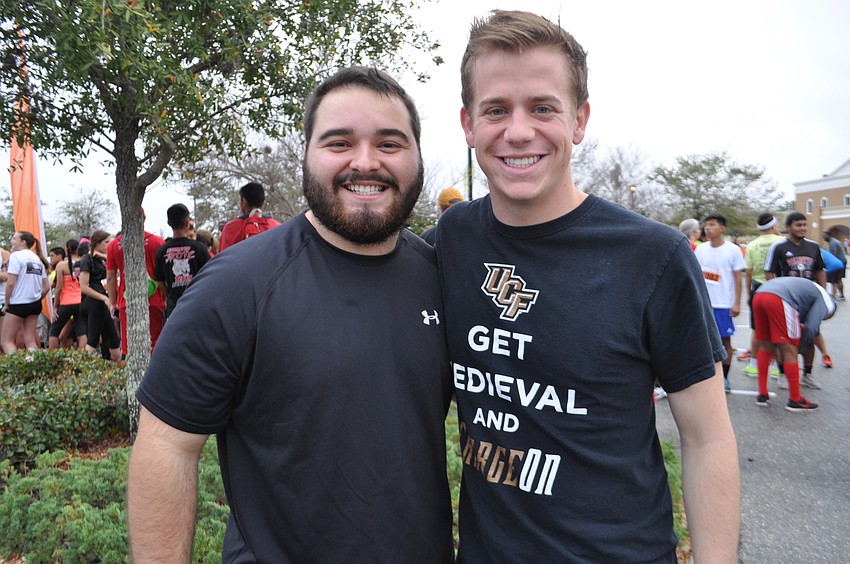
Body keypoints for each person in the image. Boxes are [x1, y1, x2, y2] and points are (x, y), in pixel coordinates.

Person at [435, 11, 739, 562]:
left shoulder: (653, 256)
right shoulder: (452, 240)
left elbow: (706, 437)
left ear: (579, 121)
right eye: (496, 109)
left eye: (543, 108)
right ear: (468, 123)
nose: (519, 130)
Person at [127, 66, 454, 562]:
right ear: (306, 155)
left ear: (417, 157)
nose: (365, 162)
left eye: (390, 144)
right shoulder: (235, 286)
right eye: (338, 143)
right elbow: (167, 448)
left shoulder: (441, 278)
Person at [753, 277, 835, 412]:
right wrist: (798, 346)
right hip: (780, 298)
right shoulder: (828, 304)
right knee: (790, 350)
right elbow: (811, 327)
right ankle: (795, 399)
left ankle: (762, 394)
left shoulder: (813, 288)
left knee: (765, 347)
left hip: (760, 294)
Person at [764, 211, 828, 386]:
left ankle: (807, 374)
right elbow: (769, 271)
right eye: (798, 225)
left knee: (810, 334)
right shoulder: (779, 247)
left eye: (804, 225)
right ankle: (783, 373)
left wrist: (823, 292)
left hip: (809, 299)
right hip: (787, 299)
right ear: (789, 227)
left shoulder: (813, 247)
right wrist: (775, 292)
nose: (803, 228)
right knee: (784, 338)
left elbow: (819, 270)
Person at [694, 213, 745, 393]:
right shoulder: (700, 250)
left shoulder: (732, 250)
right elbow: (695, 276)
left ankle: (724, 378)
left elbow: (738, 278)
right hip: (703, 304)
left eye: (712, 225)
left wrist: (737, 303)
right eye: (706, 225)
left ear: (722, 228)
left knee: (724, 343)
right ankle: (705, 378)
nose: (708, 228)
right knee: (702, 342)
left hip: (723, 305)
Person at [105, 212, 167, 357]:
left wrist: (113, 303)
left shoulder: (114, 245)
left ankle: (135, 377)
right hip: (154, 301)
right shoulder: (157, 242)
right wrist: (165, 297)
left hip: (127, 302)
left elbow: (111, 276)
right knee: (155, 345)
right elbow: (163, 274)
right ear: (144, 219)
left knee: (129, 347)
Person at [741, 213, 784, 374]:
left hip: (758, 287)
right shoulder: (781, 241)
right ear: (773, 226)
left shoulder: (752, 245)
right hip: (779, 287)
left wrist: (748, 293)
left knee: (757, 328)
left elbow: (749, 271)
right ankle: (776, 367)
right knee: (778, 328)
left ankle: (753, 364)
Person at [154, 204, 211, 319]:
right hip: (198, 304)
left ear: (169, 223)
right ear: (186, 223)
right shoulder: (199, 248)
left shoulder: (162, 251)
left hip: (175, 306)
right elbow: (211, 274)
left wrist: (170, 295)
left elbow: (159, 281)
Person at [1, 232, 50, 353]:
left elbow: (10, 283)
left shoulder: (16, 256)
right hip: (34, 304)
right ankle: (34, 365)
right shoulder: (37, 258)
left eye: (14, 238)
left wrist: (7, 304)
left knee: (6, 341)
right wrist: (37, 298)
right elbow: (47, 287)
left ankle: (17, 367)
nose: (11, 241)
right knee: (30, 341)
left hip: (19, 303)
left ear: (23, 242)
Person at [79, 230, 121, 362]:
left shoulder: (104, 258)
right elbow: (84, 286)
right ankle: (83, 370)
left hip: (104, 302)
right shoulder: (88, 259)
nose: (109, 245)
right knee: (93, 340)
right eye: (106, 242)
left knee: (113, 338)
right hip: (93, 302)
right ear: (97, 244)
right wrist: (104, 298)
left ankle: (119, 368)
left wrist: (103, 256)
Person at [217, 182, 281, 251]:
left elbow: (223, 258)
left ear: (244, 202)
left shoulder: (230, 228)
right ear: (263, 203)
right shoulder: (277, 226)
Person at [49, 238, 86, 349]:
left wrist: (55, 307)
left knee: (54, 331)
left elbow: (59, 287)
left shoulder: (61, 265)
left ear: (66, 248)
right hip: (80, 301)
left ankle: (53, 360)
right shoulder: (84, 262)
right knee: (82, 331)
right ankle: (84, 359)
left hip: (66, 302)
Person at [822, 230, 846, 301]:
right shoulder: (833, 242)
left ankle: (835, 296)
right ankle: (841, 295)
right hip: (840, 262)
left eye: (824, 236)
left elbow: (833, 254)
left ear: (828, 235)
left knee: (835, 280)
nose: (823, 238)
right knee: (838, 280)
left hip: (837, 262)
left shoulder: (832, 243)